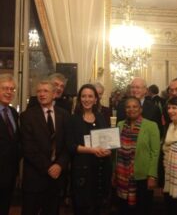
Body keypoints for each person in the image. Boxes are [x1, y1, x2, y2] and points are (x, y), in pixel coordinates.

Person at [20, 79, 70, 215]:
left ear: (54, 94)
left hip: (56, 179)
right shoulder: (27, 116)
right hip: (34, 179)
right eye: (39, 91)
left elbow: (68, 144)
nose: (41, 94)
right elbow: (28, 148)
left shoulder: (64, 115)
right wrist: (49, 167)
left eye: (45, 91)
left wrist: (59, 165)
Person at [66, 84, 112, 215]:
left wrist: (108, 150)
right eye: (84, 96)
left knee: (99, 207)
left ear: (96, 99)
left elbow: (106, 140)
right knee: (83, 207)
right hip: (82, 171)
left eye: (90, 96)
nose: (87, 99)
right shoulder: (73, 119)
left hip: (101, 170)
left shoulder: (101, 117)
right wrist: (92, 150)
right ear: (80, 99)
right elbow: (70, 146)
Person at [114, 96, 160, 215]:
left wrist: (152, 176)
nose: (131, 109)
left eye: (135, 106)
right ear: (125, 110)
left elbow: (155, 152)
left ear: (140, 109)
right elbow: (116, 151)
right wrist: (114, 172)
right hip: (122, 176)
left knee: (143, 209)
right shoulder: (119, 125)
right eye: (128, 107)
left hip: (143, 176)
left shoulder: (151, 126)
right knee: (124, 209)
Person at [0, 74, 20, 215]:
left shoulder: (13, 112)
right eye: (5, 88)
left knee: (5, 206)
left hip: (10, 172)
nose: (9, 92)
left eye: (12, 89)